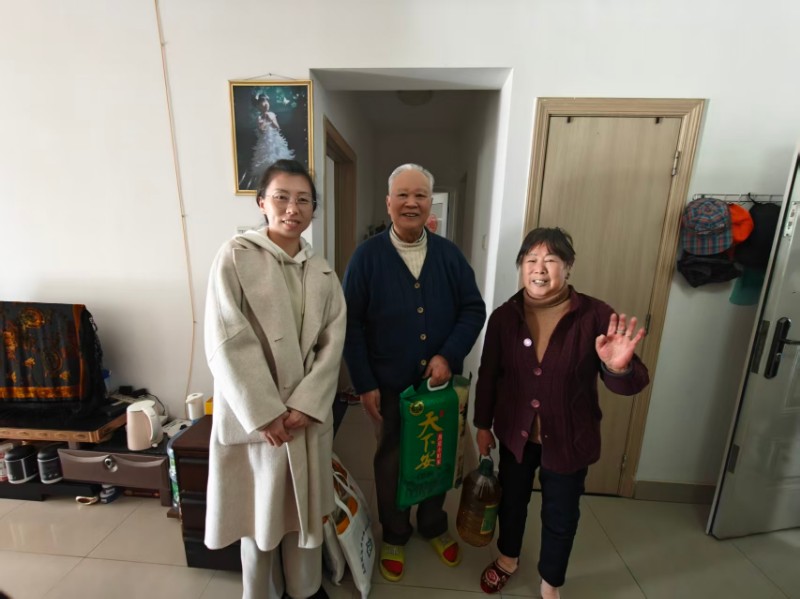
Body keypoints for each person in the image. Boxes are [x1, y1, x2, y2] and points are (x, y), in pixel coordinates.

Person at [473, 227, 649, 598]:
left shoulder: (596, 315)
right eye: (531, 260)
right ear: (521, 266)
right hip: (516, 434)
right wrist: (482, 425)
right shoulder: (504, 317)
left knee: (561, 514)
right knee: (512, 502)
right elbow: (488, 376)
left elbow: (632, 383)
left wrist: (617, 368)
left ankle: (550, 583)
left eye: (550, 260)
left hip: (569, 437)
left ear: (568, 267)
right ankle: (507, 559)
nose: (539, 269)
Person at [204, 159, 345, 599]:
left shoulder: (323, 271)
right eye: (281, 197)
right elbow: (226, 339)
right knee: (259, 516)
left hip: (303, 418)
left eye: (303, 200)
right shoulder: (235, 256)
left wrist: (307, 402)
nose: (292, 208)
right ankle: (261, 592)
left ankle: (305, 589)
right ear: (262, 202)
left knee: (303, 516)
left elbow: (333, 342)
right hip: (258, 422)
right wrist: (265, 412)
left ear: (313, 209)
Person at [343, 163, 486, 582]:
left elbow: (473, 309)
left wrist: (449, 354)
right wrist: (365, 383)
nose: (411, 202)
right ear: (388, 203)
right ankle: (395, 531)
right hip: (389, 385)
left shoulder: (449, 255)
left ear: (430, 203)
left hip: (440, 387)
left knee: (438, 454)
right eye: (402, 195)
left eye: (420, 195)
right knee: (392, 458)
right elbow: (351, 324)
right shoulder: (367, 257)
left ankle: (433, 524)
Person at [240, 93, 295, 189]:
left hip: (274, 140)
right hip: (264, 142)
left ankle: (280, 180)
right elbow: (261, 132)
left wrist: (271, 120)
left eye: (267, 102)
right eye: (263, 102)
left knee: (277, 157)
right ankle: (268, 181)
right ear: (258, 106)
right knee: (265, 158)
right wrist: (261, 127)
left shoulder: (272, 114)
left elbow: (277, 128)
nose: (266, 104)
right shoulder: (259, 118)